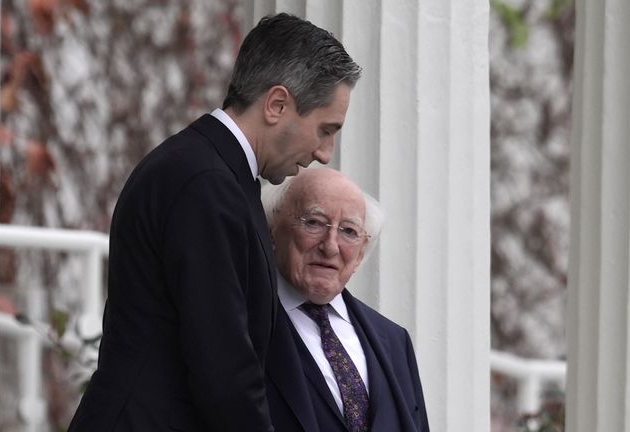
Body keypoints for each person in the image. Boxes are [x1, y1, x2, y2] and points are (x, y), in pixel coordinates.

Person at [67, 13, 361, 432]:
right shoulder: (206, 183)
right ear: (277, 104)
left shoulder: (211, 171)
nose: (325, 153)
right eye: (325, 130)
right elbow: (224, 369)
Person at [261, 167, 429, 432]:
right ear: (272, 231)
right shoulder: (243, 324)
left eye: (348, 231)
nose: (330, 246)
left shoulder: (395, 342)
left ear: (361, 254)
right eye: (313, 223)